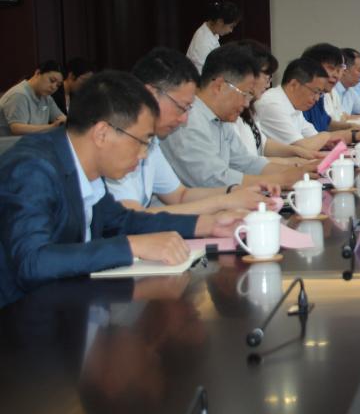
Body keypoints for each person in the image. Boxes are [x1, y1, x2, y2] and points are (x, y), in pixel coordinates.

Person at [0, 71, 235, 307]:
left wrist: (207, 224)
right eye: (142, 142)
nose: (143, 155)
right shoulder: (32, 169)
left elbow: (122, 221)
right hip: (22, 317)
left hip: (71, 305)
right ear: (102, 134)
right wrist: (132, 246)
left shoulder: (84, 165)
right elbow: (32, 262)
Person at [105, 48, 279, 214]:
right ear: (151, 94)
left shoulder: (152, 142)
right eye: (181, 107)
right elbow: (131, 218)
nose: (184, 119)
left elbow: (179, 195)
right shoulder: (115, 139)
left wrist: (233, 191)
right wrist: (223, 204)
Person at [161, 45, 314, 188]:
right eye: (245, 94)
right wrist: (280, 179)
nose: (247, 104)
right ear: (220, 86)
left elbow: (245, 162)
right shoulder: (188, 120)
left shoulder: (221, 119)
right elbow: (212, 179)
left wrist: (298, 171)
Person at [230, 40, 321, 162]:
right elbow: (244, 163)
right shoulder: (269, 103)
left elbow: (263, 144)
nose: (268, 85)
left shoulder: (248, 107)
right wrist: (292, 162)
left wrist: (297, 152)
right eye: (267, 77)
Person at [255, 57, 360, 149]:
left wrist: (325, 140)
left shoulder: (295, 104)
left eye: (320, 93)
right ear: (294, 85)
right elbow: (303, 147)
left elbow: (313, 137)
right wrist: (327, 137)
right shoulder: (272, 104)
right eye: (315, 92)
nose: (317, 98)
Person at [0, 60, 66, 136]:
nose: (53, 87)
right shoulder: (19, 94)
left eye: (58, 85)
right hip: (8, 142)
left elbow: (60, 118)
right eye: (52, 80)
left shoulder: (46, 97)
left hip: (30, 141)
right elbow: (17, 129)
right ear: (38, 73)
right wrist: (52, 127)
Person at [185, 1, 241, 73]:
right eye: (231, 26)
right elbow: (206, 75)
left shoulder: (211, 31)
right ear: (220, 22)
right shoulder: (203, 43)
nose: (231, 31)